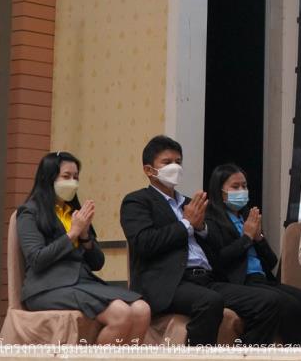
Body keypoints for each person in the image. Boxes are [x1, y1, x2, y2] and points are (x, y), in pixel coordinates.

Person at [120, 136, 280, 346]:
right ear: (149, 170)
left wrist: (202, 228)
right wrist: (186, 224)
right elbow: (144, 243)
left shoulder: (191, 203)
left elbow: (215, 248)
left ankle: (246, 355)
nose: (175, 167)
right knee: (209, 302)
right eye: (167, 162)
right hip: (168, 283)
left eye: (178, 162)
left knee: (268, 301)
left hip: (206, 279)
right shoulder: (137, 201)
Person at [17, 152, 150, 345]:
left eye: (76, 177)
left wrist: (85, 236)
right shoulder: (29, 212)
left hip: (81, 282)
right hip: (46, 287)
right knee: (120, 313)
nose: (73, 182)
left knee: (142, 310)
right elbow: (36, 260)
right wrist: (72, 234)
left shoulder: (75, 213)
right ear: (48, 178)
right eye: (66, 176)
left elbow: (97, 263)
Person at [205, 164, 301, 344]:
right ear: (219, 191)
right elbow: (219, 260)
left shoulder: (247, 217)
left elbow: (271, 262)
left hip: (261, 279)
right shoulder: (211, 219)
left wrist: (258, 238)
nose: (242, 190)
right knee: (287, 304)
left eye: (244, 186)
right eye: (235, 187)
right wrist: (246, 237)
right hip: (239, 282)